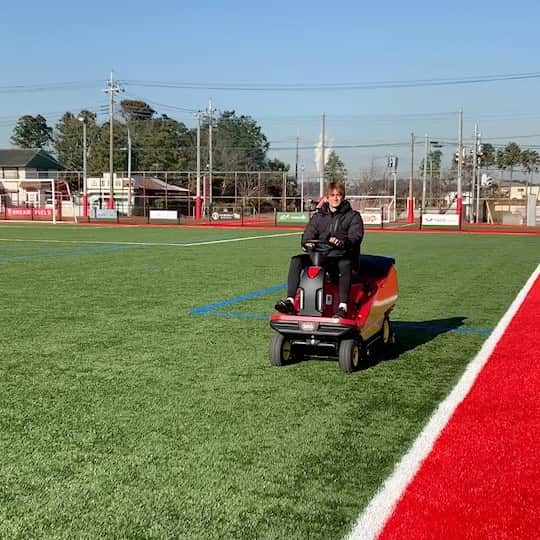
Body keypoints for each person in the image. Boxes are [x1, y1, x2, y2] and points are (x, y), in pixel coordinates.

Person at [275, 181, 364, 318]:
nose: (335, 198)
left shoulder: (353, 216)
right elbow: (308, 233)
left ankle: (343, 307)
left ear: (343, 197)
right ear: (326, 198)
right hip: (319, 255)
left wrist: (342, 242)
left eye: (338, 195)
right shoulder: (318, 216)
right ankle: (290, 301)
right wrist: (307, 242)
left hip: (340, 255)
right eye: (332, 195)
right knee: (296, 260)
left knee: (345, 264)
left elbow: (355, 237)